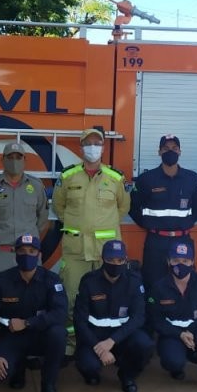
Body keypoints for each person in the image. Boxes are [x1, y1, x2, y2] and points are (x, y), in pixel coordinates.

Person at [0, 233, 68, 392]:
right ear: (15, 254)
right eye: (22, 251)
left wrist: (28, 323)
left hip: (41, 335)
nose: (27, 255)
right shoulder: (1, 280)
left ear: (39, 255)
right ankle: (18, 369)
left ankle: (49, 385)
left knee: (59, 333)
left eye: (32, 251)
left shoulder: (51, 280)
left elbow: (60, 313)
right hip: (12, 337)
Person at [52, 127, 130, 320]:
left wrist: (102, 224)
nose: (92, 148)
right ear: (81, 149)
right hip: (76, 251)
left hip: (107, 253)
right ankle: (72, 345)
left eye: (97, 144)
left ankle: (104, 342)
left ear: (103, 149)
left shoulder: (116, 178)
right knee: (71, 298)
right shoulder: (67, 176)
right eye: (88, 144)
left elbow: (123, 208)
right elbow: (59, 207)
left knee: (107, 300)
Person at [73, 240, 154, 392]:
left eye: (119, 260)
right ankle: (91, 372)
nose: (115, 264)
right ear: (102, 259)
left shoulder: (134, 281)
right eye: (110, 260)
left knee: (144, 345)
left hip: (121, 335)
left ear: (125, 259)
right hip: (95, 336)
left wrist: (112, 341)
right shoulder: (89, 281)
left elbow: (138, 317)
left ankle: (127, 376)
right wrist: (100, 349)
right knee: (89, 366)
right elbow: (80, 320)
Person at [129, 133, 197, 288]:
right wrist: (148, 224)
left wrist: (186, 223)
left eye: (174, 148)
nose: (170, 151)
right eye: (166, 148)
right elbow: (133, 206)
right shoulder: (147, 179)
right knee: (152, 282)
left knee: (183, 283)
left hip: (182, 239)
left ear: (179, 151)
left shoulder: (191, 178)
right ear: (159, 152)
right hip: (156, 241)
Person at [147, 240, 197, 392]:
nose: (180, 265)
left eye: (185, 261)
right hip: (172, 332)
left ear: (192, 262)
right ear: (168, 261)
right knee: (172, 361)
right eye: (175, 260)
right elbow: (155, 319)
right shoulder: (159, 287)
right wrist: (179, 333)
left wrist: (190, 330)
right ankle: (177, 367)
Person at [0, 141, 49, 285]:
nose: (14, 161)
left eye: (18, 157)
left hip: (28, 254)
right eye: (10, 157)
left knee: (31, 296)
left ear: (24, 160)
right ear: (2, 160)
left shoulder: (36, 186)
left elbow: (42, 218)